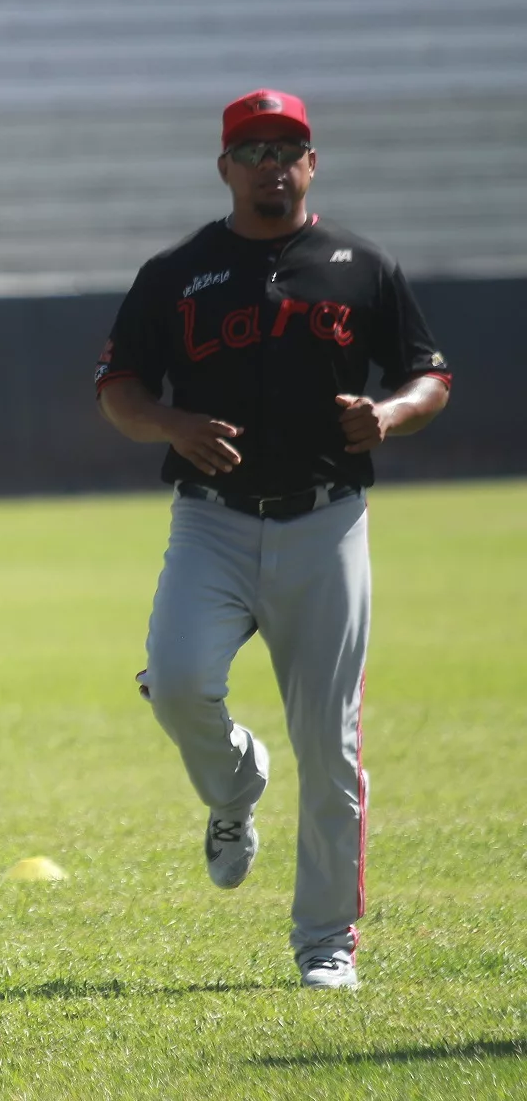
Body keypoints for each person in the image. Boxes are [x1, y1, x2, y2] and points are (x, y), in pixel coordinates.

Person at [94, 89, 452, 990]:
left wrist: (392, 413)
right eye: (252, 149)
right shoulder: (177, 271)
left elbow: (429, 373)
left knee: (330, 743)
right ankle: (235, 784)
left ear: (312, 162)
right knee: (177, 683)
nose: (271, 163)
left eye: (287, 146)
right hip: (211, 519)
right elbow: (120, 388)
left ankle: (326, 939)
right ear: (224, 168)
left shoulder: (360, 265)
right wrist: (172, 425)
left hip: (327, 520)